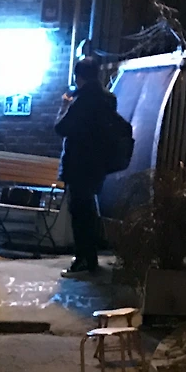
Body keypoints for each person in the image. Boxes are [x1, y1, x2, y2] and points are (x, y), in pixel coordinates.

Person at [55, 54, 119, 277]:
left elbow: (61, 128)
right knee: (89, 211)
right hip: (99, 164)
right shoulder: (108, 99)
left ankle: (83, 260)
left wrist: (64, 106)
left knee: (80, 212)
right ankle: (90, 259)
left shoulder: (82, 100)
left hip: (78, 164)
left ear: (79, 76)